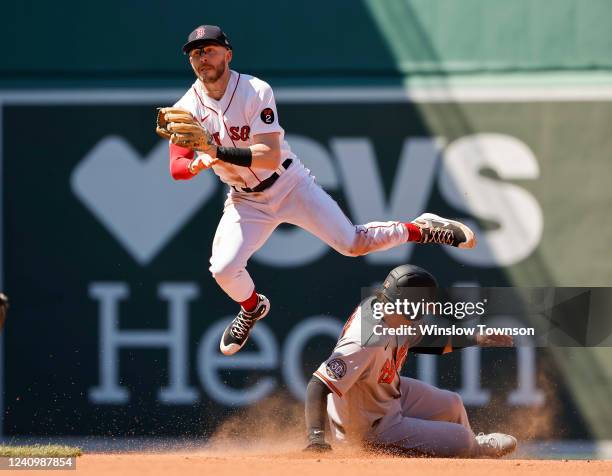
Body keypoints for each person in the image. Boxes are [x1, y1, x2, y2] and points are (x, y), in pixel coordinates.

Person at [165, 24, 477, 356]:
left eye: (210, 49)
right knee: (223, 269)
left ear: (228, 54)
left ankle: (422, 228)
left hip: (288, 183)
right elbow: (176, 168)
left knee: (353, 243)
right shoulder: (186, 108)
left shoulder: (255, 91)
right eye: (195, 53)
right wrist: (196, 164)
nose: (203, 58)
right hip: (245, 199)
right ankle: (253, 307)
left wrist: (215, 154)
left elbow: (269, 157)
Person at [304, 264, 517, 458]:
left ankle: (471, 448)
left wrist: (475, 338)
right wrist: (316, 439)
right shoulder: (364, 341)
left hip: (380, 393)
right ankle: (474, 448)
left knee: (453, 403)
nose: (426, 309)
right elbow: (318, 384)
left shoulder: (391, 311)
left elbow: (425, 340)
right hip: (368, 428)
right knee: (461, 439)